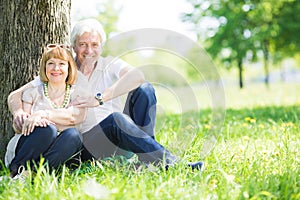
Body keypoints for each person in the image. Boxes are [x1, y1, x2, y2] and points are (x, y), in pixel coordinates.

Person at [7, 18, 204, 170]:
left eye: (94, 44)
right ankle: (162, 160)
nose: (88, 50)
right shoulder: (62, 69)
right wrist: (18, 112)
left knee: (144, 89)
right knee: (115, 120)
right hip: (78, 144)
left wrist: (99, 98)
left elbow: (137, 75)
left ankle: (152, 158)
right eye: (83, 44)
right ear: (74, 46)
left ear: (101, 47)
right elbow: (15, 95)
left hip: (115, 139)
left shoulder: (109, 64)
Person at [5, 44, 87, 178]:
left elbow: (76, 118)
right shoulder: (32, 93)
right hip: (29, 150)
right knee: (47, 130)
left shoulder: (78, 94)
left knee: (73, 135)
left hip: (59, 152)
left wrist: (42, 116)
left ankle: (32, 175)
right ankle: (15, 172)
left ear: (69, 68)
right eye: (51, 63)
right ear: (45, 67)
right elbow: (25, 127)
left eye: (61, 64)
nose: (56, 68)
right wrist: (56, 123)